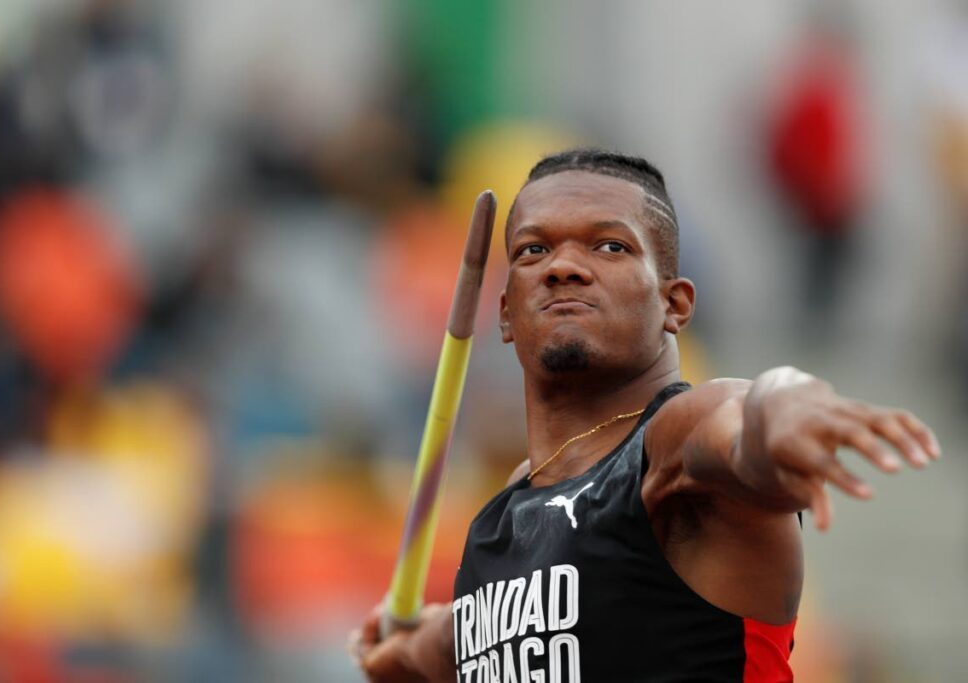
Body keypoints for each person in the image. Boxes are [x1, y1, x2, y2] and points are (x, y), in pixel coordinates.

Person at [350, 149, 940, 682]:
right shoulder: (505, 522)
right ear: (505, 315)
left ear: (674, 303)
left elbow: (744, 415)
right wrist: (403, 650)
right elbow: (457, 641)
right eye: (534, 250)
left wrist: (790, 409)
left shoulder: (672, 451)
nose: (562, 266)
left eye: (610, 246)